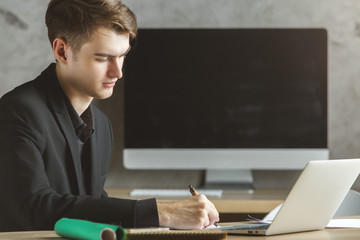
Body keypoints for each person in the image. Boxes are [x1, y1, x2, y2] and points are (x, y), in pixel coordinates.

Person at [0, 0, 219, 232]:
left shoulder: (102, 125)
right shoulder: (17, 112)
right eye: (103, 58)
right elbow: (35, 209)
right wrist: (162, 212)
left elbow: (91, 209)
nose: (118, 72)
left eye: (122, 55)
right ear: (62, 51)